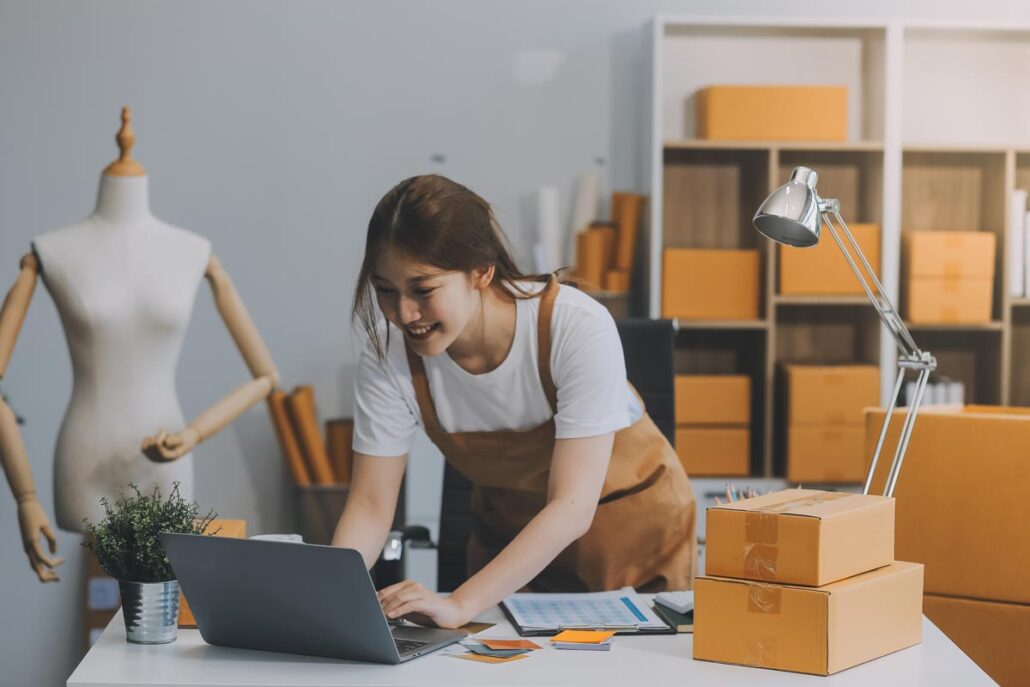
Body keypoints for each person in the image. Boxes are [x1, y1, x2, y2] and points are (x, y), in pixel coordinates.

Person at [332, 174, 696, 629]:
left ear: (481, 271)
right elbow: (370, 505)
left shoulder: (575, 325)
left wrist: (461, 604)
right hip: (512, 552)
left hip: (634, 544)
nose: (404, 314)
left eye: (423, 290)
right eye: (386, 290)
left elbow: (571, 506)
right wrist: (329, 598)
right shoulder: (388, 354)